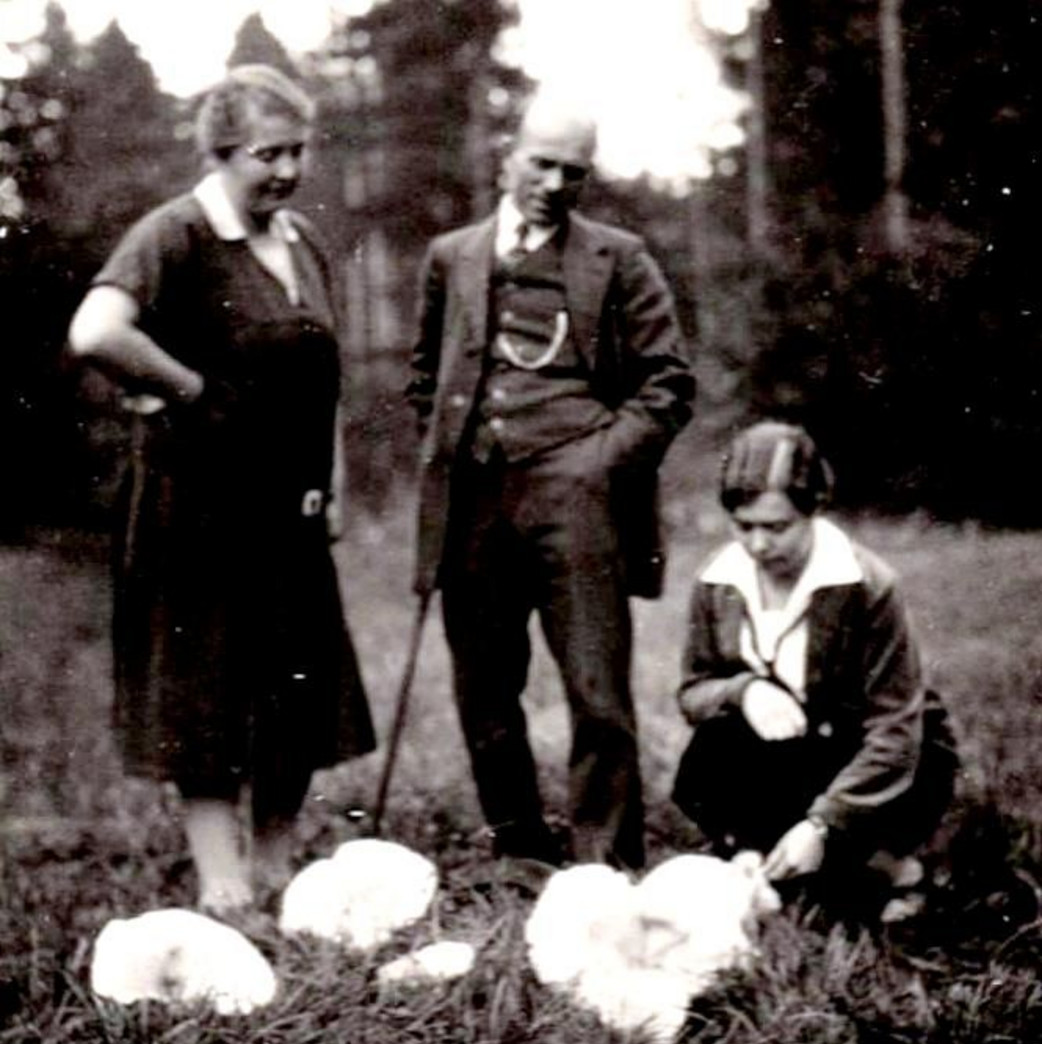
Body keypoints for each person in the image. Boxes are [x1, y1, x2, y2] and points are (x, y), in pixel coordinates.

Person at [67, 65, 376, 913]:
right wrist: (188, 387)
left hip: (290, 510)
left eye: (297, 151)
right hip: (195, 513)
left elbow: (325, 377)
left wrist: (336, 478)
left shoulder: (302, 241)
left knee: (295, 690)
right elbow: (97, 330)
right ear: (220, 152)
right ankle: (225, 882)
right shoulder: (174, 234)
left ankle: (274, 862)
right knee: (205, 693)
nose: (285, 170)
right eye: (266, 155)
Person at [407, 95, 695, 871]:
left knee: (598, 692)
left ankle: (605, 864)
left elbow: (668, 384)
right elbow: (425, 379)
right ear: (509, 155)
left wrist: (599, 463)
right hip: (475, 501)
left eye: (574, 170)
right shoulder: (452, 256)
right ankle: (520, 849)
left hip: (579, 499)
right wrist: (450, 451)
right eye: (542, 162)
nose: (554, 182)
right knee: (485, 692)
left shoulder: (620, 258)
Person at [673, 421, 958, 914]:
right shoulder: (717, 581)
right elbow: (693, 691)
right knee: (709, 758)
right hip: (793, 754)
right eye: (744, 526)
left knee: (841, 894)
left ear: (813, 511)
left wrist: (823, 824)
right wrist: (745, 690)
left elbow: (896, 730)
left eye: (777, 527)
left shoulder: (867, 585)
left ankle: (894, 866)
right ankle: (773, 855)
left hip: (876, 758)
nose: (759, 546)